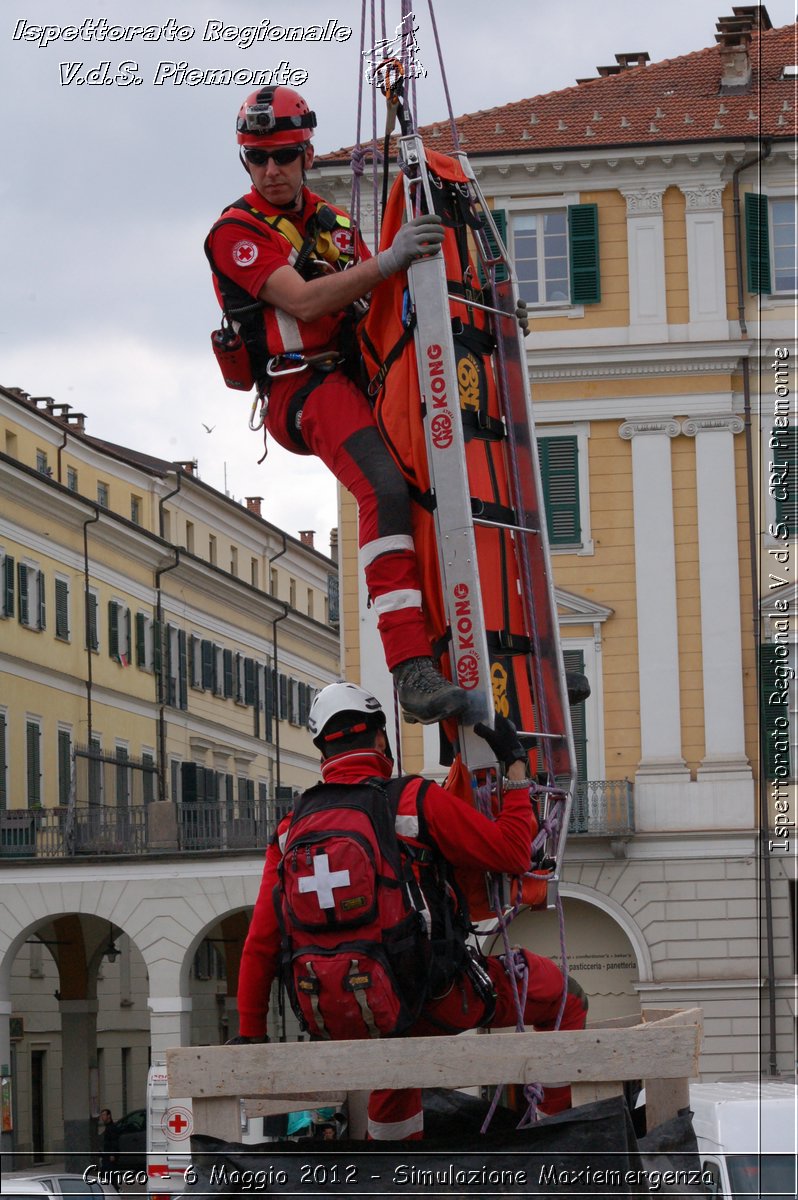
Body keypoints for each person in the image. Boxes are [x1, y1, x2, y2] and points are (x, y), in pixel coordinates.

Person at [206, 86, 473, 726]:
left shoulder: (335, 224)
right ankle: (409, 668)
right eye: (257, 158)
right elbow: (301, 302)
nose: (271, 170)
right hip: (302, 387)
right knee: (382, 488)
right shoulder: (235, 232)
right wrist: (391, 257)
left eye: (283, 156)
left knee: (430, 485)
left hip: (361, 378)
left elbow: (380, 300)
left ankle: (446, 633)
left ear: (306, 153)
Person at [235, 681, 588, 1141]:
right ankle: (557, 1137)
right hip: (428, 997)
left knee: (392, 1060)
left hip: (340, 1013)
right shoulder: (412, 799)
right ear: (381, 739)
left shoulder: (290, 828)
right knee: (563, 995)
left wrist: (250, 1034)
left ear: (322, 747)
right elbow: (513, 851)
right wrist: (517, 772)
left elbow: (261, 942)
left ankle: (394, 1172)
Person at [98, 1107, 119, 1172]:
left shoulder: (112, 1127)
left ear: (109, 1116)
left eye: (104, 1115)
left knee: (110, 1172)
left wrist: (112, 1154)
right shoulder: (107, 1127)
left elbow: (114, 1140)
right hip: (106, 1155)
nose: (102, 1117)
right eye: (102, 1115)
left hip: (109, 1156)